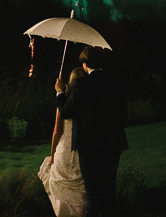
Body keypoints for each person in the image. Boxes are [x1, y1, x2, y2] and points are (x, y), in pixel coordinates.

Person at [55, 46, 128, 217]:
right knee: (109, 192)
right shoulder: (115, 82)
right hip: (112, 145)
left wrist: (60, 92)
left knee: (93, 195)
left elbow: (65, 111)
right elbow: (123, 115)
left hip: (90, 148)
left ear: (85, 64)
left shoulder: (82, 84)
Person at [39, 67, 88, 217]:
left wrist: (52, 153)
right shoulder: (88, 103)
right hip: (81, 150)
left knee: (60, 192)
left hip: (64, 151)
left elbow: (56, 132)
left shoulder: (63, 103)